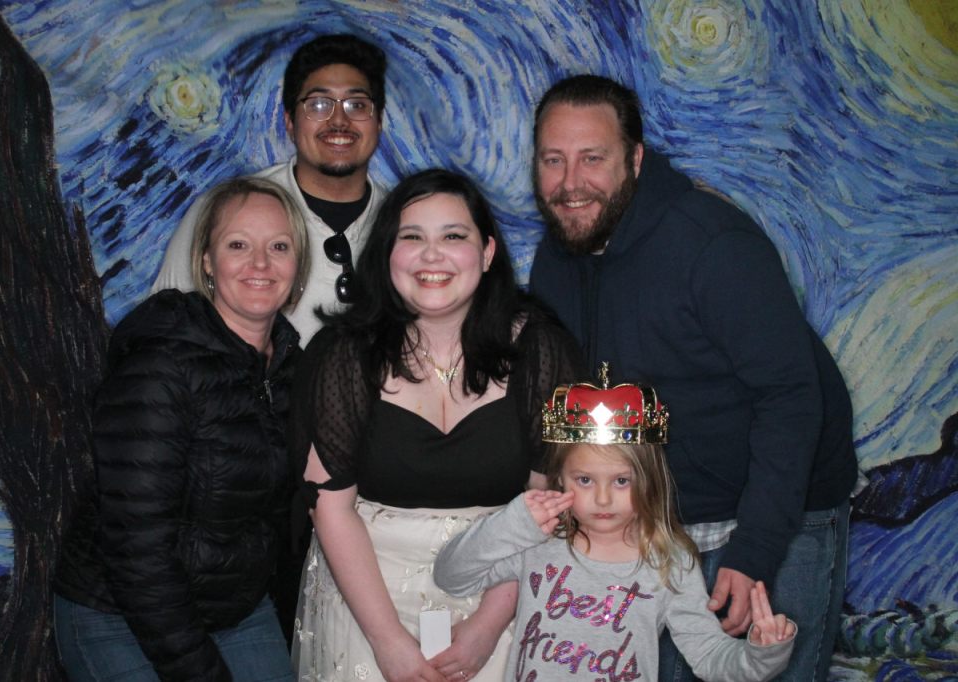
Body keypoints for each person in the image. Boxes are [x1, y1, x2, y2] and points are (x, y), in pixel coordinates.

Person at [528, 75, 858, 682]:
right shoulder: (555, 259)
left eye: (592, 158)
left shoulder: (714, 245)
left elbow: (790, 397)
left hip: (781, 506)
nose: (570, 182)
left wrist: (755, 549)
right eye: (554, 160)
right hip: (657, 518)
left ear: (634, 159)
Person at [292, 169, 587, 681]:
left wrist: (488, 626)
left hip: (503, 596)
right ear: (388, 254)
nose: (432, 256)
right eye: (412, 237)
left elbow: (550, 508)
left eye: (453, 236)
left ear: (487, 252)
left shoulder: (542, 351)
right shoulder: (343, 354)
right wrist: (387, 643)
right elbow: (331, 509)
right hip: (367, 604)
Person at [53, 176, 308, 681]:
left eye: (279, 246)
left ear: (297, 263)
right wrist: (199, 670)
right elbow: (137, 551)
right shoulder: (159, 368)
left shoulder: (292, 371)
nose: (260, 264)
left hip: (233, 608)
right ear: (207, 261)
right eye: (238, 245)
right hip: (119, 611)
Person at [434, 372, 797, 681]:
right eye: (585, 480)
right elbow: (451, 577)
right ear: (560, 478)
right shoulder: (534, 542)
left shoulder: (669, 561)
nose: (603, 499)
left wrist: (761, 654)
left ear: (649, 480)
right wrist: (512, 523)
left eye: (622, 481)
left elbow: (709, 657)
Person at [152, 33, 387, 347]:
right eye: (318, 104)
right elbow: (158, 337)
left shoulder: (407, 224)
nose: (339, 120)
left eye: (357, 105)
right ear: (289, 122)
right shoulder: (225, 211)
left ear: (379, 121)